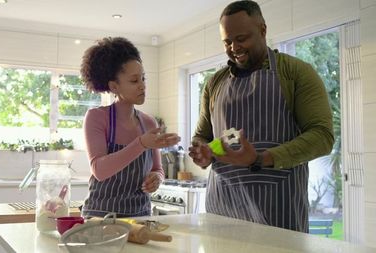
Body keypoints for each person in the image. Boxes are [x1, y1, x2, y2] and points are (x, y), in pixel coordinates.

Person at [188, 0, 334, 232]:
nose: (234, 47)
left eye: (241, 38)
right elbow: (203, 136)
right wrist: (204, 152)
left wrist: (259, 158)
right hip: (222, 211)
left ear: (263, 30)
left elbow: (322, 137)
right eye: (227, 41)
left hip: (278, 214)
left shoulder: (296, 73)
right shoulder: (214, 83)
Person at [80, 37, 180, 218]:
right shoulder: (97, 118)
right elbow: (100, 170)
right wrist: (141, 143)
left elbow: (158, 169)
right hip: (101, 217)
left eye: (143, 78)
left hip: (141, 216)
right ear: (114, 86)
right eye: (134, 81)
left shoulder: (149, 123)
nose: (142, 85)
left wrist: (156, 178)